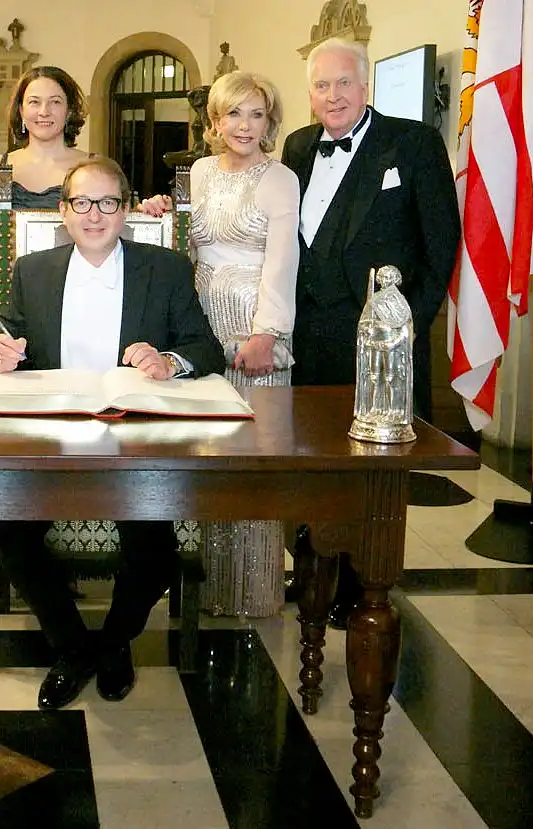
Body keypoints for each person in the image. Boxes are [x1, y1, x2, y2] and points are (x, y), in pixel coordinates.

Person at [0, 157, 224, 710]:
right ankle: (74, 648)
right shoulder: (32, 271)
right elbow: (8, 347)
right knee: (13, 539)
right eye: (81, 203)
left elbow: (205, 348)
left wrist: (169, 361)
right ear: (63, 211)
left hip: (132, 442)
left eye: (108, 203)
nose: (94, 215)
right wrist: (2, 357)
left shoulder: (164, 269)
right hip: (53, 441)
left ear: (126, 210)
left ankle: (114, 641)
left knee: (155, 549)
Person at [280, 37, 460, 626]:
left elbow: (441, 243)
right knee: (310, 456)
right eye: (321, 85)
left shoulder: (414, 142)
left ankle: (364, 584)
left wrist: (405, 329)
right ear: (310, 94)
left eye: (343, 83)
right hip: (306, 335)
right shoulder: (298, 146)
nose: (333, 95)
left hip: (377, 342)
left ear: (365, 86)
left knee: (370, 467)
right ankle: (313, 571)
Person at [142, 71, 299, 618]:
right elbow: (184, 244)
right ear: (215, 120)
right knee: (204, 449)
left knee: (253, 454)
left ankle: (250, 591)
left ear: (270, 122)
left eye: (257, 114)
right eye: (234, 113)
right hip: (199, 322)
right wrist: (160, 212)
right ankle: (203, 583)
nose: (245, 126)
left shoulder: (280, 178)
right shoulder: (200, 172)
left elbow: (282, 263)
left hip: (253, 325)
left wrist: (267, 334)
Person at [0, 65, 89, 269]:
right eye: (34, 102)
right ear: (21, 111)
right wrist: (21, 285)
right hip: (13, 284)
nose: (44, 112)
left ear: (69, 111)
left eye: (55, 102)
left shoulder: (91, 166)